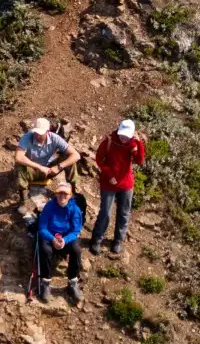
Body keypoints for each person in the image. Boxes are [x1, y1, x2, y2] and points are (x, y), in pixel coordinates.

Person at [93, 119, 147, 256]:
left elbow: (140, 161)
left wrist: (139, 143)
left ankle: (118, 240)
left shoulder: (133, 144)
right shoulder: (109, 141)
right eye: (122, 134)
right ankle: (97, 239)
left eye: (127, 136)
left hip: (126, 183)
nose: (124, 138)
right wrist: (109, 174)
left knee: (124, 213)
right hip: (108, 183)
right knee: (105, 212)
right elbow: (99, 159)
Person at [35, 180, 85, 304]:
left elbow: (76, 229)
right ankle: (45, 282)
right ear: (56, 194)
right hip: (50, 236)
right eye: (59, 193)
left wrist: (65, 240)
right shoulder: (49, 206)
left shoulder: (74, 209)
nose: (62, 196)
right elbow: (42, 228)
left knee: (76, 250)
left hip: (66, 237)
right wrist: (52, 239)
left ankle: (73, 282)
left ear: (70, 195)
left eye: (65, 194)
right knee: (45, 250)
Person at [15, 117, 75, 205]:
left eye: (40, 133)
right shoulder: (27, 137)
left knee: (69, 158)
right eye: (36, 132)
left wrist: (59, 166)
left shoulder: (54, 138)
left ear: (48, 131)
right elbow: (18, 157)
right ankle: (24, 201)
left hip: (49, 170)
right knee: (19, 166)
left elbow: (76, 155)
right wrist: (40, 167)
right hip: (32, 171)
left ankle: (72, 191)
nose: (37, 135)